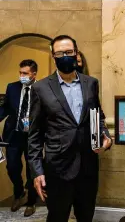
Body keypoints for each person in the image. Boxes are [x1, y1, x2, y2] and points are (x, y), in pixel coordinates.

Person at [28, 35, 112, 222]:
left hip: (88, 168)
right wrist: (37, 171)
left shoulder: (91, 83)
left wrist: (106, 137)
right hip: (57, 169)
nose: (65, 56)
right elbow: (34, 135)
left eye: (69, 52)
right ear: (53, 56)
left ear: (76, 53)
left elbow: (98, 117)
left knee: (86, 216)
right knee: (57, 216)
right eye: (60, 53)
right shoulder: (40, 88)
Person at [0, 59, 38, 216]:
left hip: (32, 137)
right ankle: (19, 193)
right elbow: (6, 108)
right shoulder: (12, 87)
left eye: (25, 73)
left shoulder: (42, 89)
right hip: (13, 135)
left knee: (32, 170)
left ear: (34, 74)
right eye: (20, 72)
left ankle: (32, 201)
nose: (22, 76)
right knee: (12, 168)